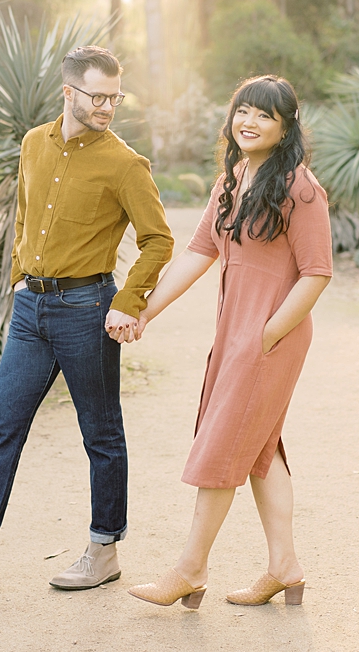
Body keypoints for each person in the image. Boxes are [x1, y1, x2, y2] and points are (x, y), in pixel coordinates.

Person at [0, 46, 174, 591]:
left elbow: (159, 240)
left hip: (88, 311)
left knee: (102, 435)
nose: (108, 106)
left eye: (115, 97)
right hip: (31, 310)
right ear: (68, 92)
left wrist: (127, 301)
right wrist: (19, 272)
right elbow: (24, 210)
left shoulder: (124, 163)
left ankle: (104, 549)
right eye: (97, 96)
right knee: (0, 424)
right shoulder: (33, 144)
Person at [124, 75, 332, 609]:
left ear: (285, 128)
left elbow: (316, 273)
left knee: (221, 444)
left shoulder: (301, 188)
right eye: (243, 110)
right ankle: (285, 567)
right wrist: (143, 309)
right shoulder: (233, 179)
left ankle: (189, 570)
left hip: (269, 337)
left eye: (265, 115)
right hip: (234, 332)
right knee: (263, 450)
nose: (250, 121)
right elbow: (197, 254)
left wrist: (265, 335)